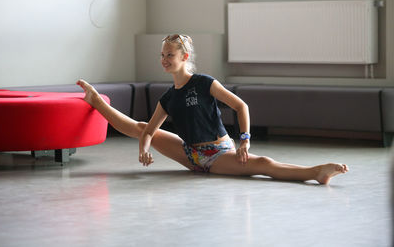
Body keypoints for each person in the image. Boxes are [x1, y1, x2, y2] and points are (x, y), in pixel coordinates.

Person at [77, 34, 348, 184]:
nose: (164, 60)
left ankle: (316, 172)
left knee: (263, 164)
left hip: (219, 153)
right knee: (140, 128)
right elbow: (147, 131)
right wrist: (144, 149)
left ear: (184, 57)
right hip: (190, 154)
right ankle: (96, 101)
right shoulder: (169, 97)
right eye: (162, 55)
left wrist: (244, 140)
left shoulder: (205, 83)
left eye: (169, 55)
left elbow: (240, 106)